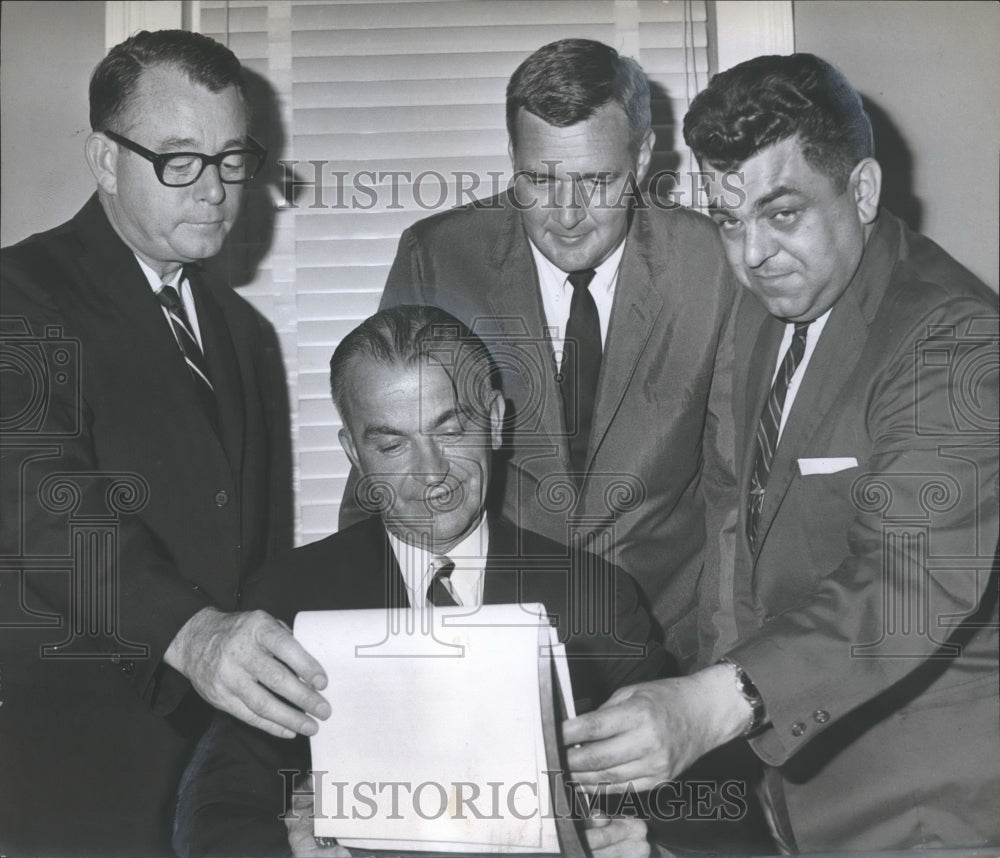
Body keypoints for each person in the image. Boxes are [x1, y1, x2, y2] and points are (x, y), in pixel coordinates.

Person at [560, 53, 999, 853]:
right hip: (790, 795)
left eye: (782, 211)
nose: (751, 254)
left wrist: (709, 706)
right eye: (729, 220)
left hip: (932, 808)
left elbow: (909, 580)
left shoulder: (953, 336)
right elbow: (739, 540)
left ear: (862, 192)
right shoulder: (771, 312)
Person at [173, 304, 667, 858]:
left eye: (450, 430)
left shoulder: (593, 596)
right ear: (354, 454)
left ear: (497, 422)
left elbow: (695, 800)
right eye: (391, 445)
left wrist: (645, 849)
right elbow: (214, 811)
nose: (430, 470)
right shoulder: (289, 598)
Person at [0, 30, 328, 856]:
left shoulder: (242, 330)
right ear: (105, 160)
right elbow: (40, 501)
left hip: (219, 765)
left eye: (230, 159)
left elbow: (256, 556)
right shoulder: (19, 294)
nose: (216, 189)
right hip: (65, 763)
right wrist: (191, 632)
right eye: (179, 160)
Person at [344, 38, 738, 666]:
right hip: (486, 646)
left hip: (664, 649)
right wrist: (379, 660)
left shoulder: (713, 264)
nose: (567, 215)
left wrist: (719, 678)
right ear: (511, 158)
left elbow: (733, 493)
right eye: (539, 180)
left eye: (596, 180)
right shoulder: (438, 257)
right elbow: (380, 475)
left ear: (641, 158)